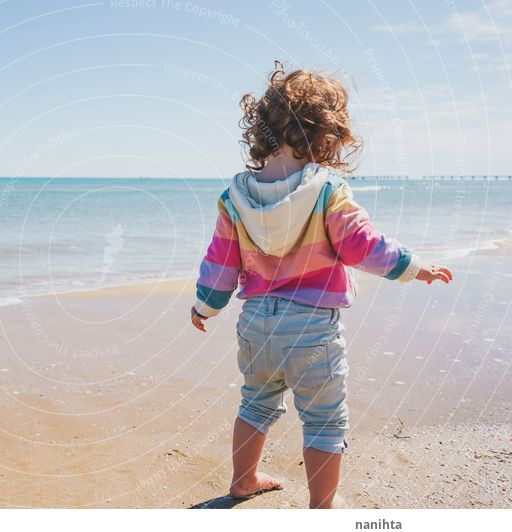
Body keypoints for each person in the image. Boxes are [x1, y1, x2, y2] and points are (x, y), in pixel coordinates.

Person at [191, 63, 453, 508]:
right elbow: (362, 247)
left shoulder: (233, 197)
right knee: (325, 421)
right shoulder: (329, 190)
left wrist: (205, 306)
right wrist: (414, 266)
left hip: (256, 323)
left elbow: (221, 265)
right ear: (327, 135)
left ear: (262, 130)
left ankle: (243, 480)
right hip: (312, 327)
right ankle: (321, 510)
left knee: (255, 402)